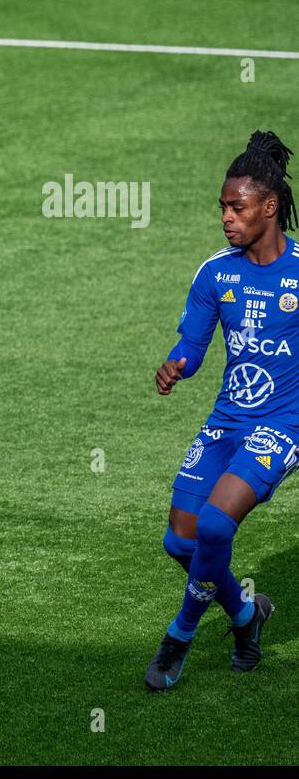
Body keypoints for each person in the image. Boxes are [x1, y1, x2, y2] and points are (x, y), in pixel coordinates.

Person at [147, 130, 297, 691]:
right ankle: (244, 614)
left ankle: (177, 638)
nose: (226, 219)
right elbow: (192, 343)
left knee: (214, 523)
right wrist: (175, 364)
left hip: (284, 424)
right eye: (222, 208)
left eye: (236, 207)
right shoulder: (216, 273)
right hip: (227, 420)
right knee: (179, 541)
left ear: (269, 206)